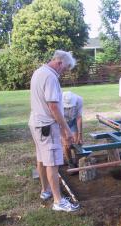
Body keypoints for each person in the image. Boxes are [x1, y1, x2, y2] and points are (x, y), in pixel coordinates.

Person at [28, 50, 80, 212]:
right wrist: (66, 130)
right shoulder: (50, 77)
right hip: (47, 126)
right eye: (64, 69)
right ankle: (58, 201)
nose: (63, 72)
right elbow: (54, 107)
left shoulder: (39, 72)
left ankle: (46, 191)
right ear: (59, 63)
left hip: (36, 122)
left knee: (42, 158)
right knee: (52, 162)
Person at [62, 91, 83, 168]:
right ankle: (70, 163)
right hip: (62, 122)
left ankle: (79, 162)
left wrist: (80, 135)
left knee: (77, 142)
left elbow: (79, 117)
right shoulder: (58, 102)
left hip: (73, 121)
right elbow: (58, 120)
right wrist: (64, 137)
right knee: (66, 144)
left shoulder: (79, 100)